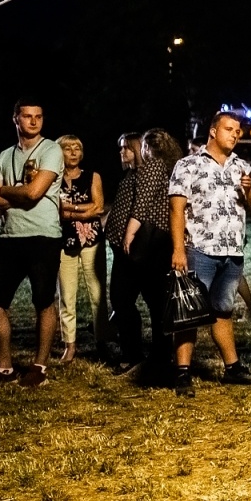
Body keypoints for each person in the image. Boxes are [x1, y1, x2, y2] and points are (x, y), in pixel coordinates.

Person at [167, 112, 251, 393]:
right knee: (190, 312)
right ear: (212, 131)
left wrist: (248, 192)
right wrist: (178, 250)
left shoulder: (242, 167)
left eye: (238, 130)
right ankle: (182, 372)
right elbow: (176, 209)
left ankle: (232, 368)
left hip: (232, 251)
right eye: (229, 129)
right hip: (200, 249)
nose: (235, 134)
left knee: (223, 310)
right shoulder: (188, 165)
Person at [0, 99, 66, 387]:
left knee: (43, 301)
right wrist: (19, 190)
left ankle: (39, 365)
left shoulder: (51, 149)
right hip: (9, 237)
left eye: (38, 117)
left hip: (43, 235)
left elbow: (34, 193)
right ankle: (4, 366)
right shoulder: (4, 156)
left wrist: (7, 188)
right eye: (27, 117)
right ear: (15, 119)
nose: (33, 121)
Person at [126, 128, 183, 384]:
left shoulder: (152, 167)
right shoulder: (176, 167)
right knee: (164, 298)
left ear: (148, 148)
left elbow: (142, 204)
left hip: (153, 237)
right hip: (170, 236)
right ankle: (167, 351)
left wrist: (129, 233)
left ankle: (159, 356)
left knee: (154, 298)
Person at [55, 135, 107, 364]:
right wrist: (82, 211)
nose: (74, 152)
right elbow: (54, 210)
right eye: (68, 149)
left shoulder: (92, 176)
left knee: (97, 295)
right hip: (64, 241)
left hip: (92, 240)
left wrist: (69, 209)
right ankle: (70, 345)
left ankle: (102, 341)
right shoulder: (52, 179)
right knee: (67, 296)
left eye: (78, 148)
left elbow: (98, 208)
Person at [102, 132, 144, 369]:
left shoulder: (142, 176)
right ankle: (131, 350)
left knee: (122, 298)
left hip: (134, 249)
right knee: (120, 299)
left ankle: (133, 353)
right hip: (120, 247)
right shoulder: (128, 176)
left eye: (126, 148)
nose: (121, 152)